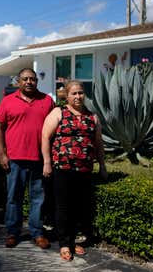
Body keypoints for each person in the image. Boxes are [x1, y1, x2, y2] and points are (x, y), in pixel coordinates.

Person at [41, 80, 108, 261]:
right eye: (74, 93)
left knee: (79, 207)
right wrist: (47, 162)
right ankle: (64, 243)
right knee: (63, 206)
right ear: (67, 96)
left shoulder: (92, 116)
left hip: (84, 169)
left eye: (80, 93)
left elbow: (98, 144)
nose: (78, 96)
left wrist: (102, 165)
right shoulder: (58, 112)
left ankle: (74, 240)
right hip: (62, 168)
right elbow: (45, 137)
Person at [0, 68, 55, 249]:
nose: (29, 82)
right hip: (15, 159)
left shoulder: (47, 101)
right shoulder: (7, 101)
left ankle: (37, 233)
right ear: (18, 82)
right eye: (25, 79)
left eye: (33, 79)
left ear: (37, 81)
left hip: (39, 159)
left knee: (38, 198)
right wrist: (2, 154)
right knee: (14, 197)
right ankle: (13, 232)